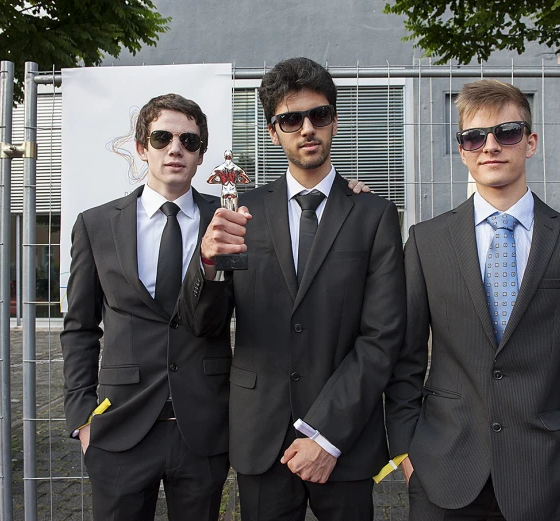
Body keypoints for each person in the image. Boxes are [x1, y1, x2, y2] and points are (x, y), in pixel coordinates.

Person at [181, 57, 406, 521]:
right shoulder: (240, 213)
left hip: (345, 436)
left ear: (335, 121)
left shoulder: (374, 216)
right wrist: (207, 264)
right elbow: (204, 322)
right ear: (272, 131)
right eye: (290, 119)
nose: (307, 128)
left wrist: (326, 435)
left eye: (319, 115)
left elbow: (382, 336)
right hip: (262, 433)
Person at [385, 79, 560, 521]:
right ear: (464, 150)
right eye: (474, 137)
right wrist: (408, 457)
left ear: (529, 142)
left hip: (546, 475)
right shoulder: (426, 241)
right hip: (442, 473)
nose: (490, 146)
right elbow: (405, 359)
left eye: (506, 133)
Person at [61, 94, 232, 521]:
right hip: (119, 427)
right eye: (162, 137)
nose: (176, 149)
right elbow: (80, 327)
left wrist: (350, 191)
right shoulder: (97, 224)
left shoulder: (229, 219)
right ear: (142, 147)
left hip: (203, 426)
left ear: (200, 155)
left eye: (189, 141)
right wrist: (82, 416)